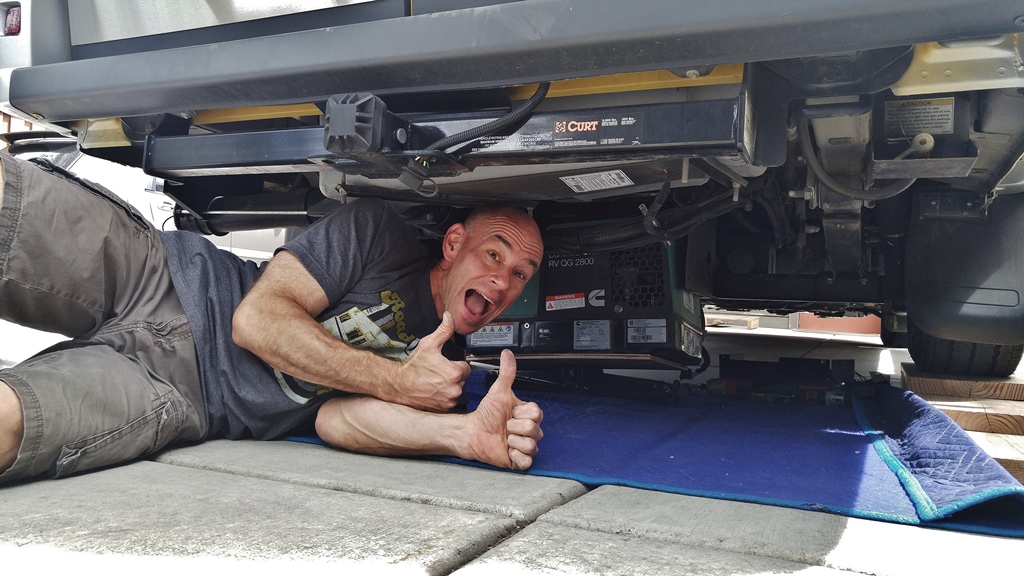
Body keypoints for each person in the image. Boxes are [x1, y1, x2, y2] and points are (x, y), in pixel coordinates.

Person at [0, 152, 545, 484]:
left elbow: (338, 422)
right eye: (494, 255)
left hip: (178, 393)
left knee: (10, 427)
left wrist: (465, 434)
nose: (503, 281)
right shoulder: (378, 236)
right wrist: (397, 379)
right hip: (159, 273)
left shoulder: (441, 374)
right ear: (453, 244)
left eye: (522, 273)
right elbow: (257, 320)